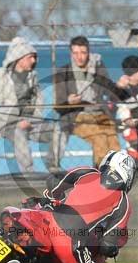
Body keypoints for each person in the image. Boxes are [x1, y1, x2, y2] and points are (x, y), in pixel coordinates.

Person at [0, 149, 136, 263]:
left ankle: (3, 240)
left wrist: (54, 198)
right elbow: (108, 244)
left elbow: (54, 182)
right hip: (69, 237)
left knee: (18, 220)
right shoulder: (124, 202)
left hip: (46, 215)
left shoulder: (87, 172)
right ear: (129, 176)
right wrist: (111, 250)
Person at [52, 35, 132, 166]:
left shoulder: (97, 68)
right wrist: (69, 102)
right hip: (76, 116)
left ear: (88, 52)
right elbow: (58, 106)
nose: (79, 57)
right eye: (75, 53)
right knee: (99, 138)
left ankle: (115, 173)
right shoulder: (63, 73)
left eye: (83, 52)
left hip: (100, 114)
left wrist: (120, 87)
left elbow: (110, 93)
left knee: (112, 139)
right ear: (71, 53)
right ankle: (100, 176)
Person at [0, 37, 60, 173]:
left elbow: (39, 99)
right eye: (30, 57)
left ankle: (53, 167)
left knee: (56, 130)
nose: (33, 61)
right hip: (9, 123)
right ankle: (29, 173)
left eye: (34, 57)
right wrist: (17, 122)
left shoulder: (32, 76)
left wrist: (36, 118)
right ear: (19, 58)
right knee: (19, 133)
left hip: (32, 121)